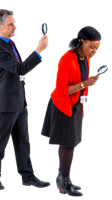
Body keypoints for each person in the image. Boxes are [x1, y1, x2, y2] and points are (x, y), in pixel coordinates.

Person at [0, 9, 51, 191]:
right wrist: (38, 51)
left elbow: (17, 75)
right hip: (6, 104)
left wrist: (23, 98)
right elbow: (20, 69)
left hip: (19, 103)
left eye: (14, 23)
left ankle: (28, 177)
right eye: (11, 24)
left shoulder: (10, 43)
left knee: (23, 142)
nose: (15, 26)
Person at [40, 26, 101, 197]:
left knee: (69, 143)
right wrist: (85, 84)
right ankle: (64, 181)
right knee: (68, 144)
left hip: (75, 105)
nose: (94, 51)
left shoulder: (86, 59)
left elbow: (85, 90)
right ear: (82, 42)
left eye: (97, 48)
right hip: (61, 105)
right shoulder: (66, 59)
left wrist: (83, 107)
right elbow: (61, 90)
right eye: (92, 47)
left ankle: (62, 178)